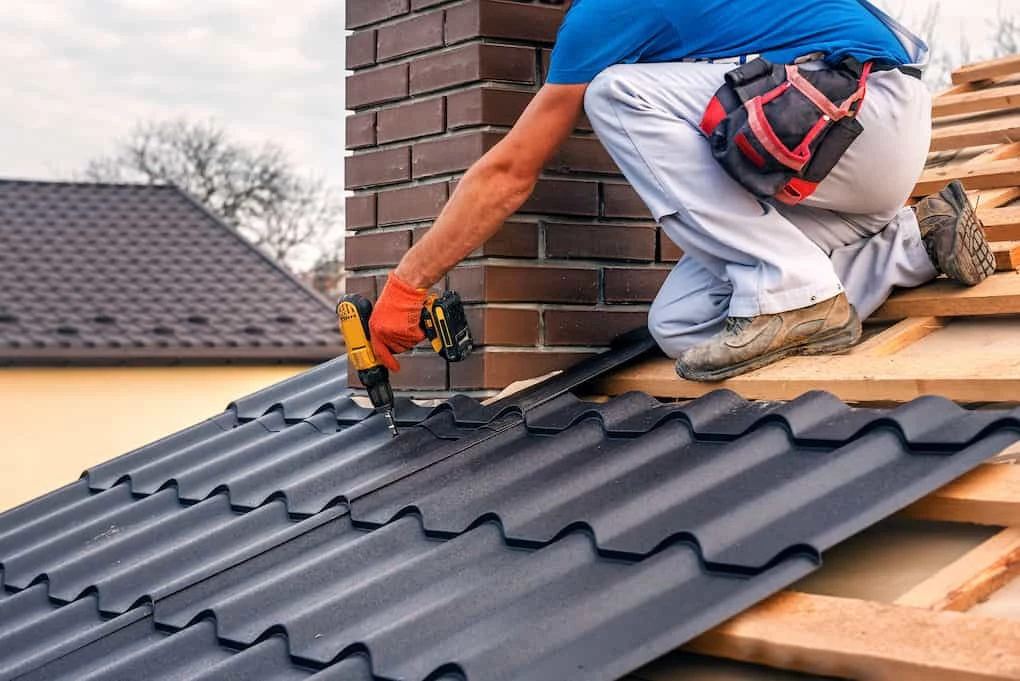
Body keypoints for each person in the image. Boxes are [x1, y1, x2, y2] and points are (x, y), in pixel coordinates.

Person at [365, 0, 995, 382]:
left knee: (617, 91)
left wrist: (409, 282)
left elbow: (509, 174)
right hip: (859, 161)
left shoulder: (610, 11)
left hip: (857, 112)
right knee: (684, 327)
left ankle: (790, 286)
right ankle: (913, 243)